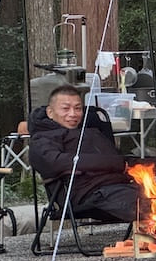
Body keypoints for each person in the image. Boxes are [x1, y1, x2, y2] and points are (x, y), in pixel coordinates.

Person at [29, 84, 143, 223]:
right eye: (65, 108)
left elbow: (122, 161)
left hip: (121, 185)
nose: (73, 114)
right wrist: (114, 164)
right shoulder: (43, 139)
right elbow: (56, 162)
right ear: (50, 112)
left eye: (78, 108)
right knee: (152, 206)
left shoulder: (91, 132)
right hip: (87, 194)